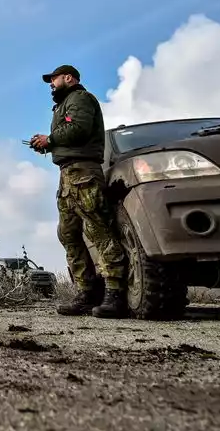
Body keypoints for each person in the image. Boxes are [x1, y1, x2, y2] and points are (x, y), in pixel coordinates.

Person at [29, 64, 129, 319]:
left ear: (68, 78)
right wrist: (47, 145)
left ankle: (115, 293)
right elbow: (69, 136)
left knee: (99, 230)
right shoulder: (64, 104)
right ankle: (87, 293)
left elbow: (79, 129)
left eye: (54, 79)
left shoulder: (80, 98)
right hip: (68, 175)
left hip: (83, 174)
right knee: (69, 234)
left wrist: (49, 140)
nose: (51, 84)